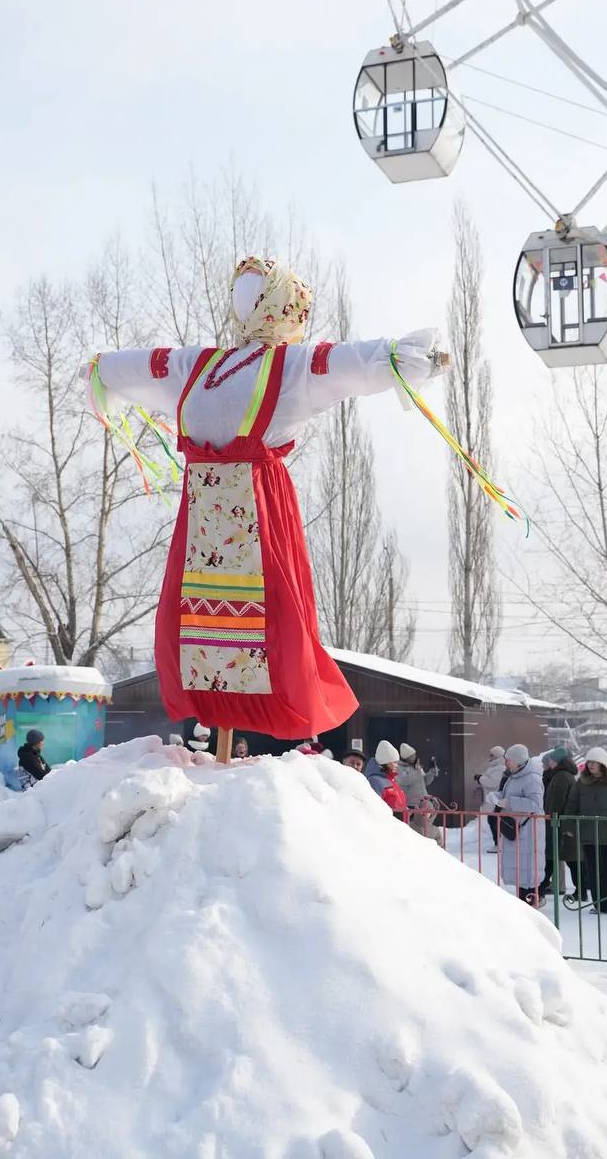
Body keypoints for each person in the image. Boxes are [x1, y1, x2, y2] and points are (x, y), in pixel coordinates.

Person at [90, 256, 446, 747]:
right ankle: (228, 708)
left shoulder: (246, 366)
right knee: (231, 619)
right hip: (227, 510)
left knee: (239, 619)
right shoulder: (243, 365)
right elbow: (352, 361)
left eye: (252, 294)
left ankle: (235, 710)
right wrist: (103, 369)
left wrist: (404, 357)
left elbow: (349, 363)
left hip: (232, 509)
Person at [565, 747, 607, 915]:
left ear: (603, 764)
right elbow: (572, 806)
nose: (591, 766)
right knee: (594, 872)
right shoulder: (581, 783)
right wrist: (569, 827)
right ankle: (602, 904)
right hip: (589, 835)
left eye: (594, 762)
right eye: (589, 762)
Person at [493, 744, 545, 906]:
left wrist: (508, 802)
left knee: (528, 870)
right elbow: (509, 794)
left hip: (528, 831)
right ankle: (524, 901)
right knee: (519, 868)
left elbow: (535, 804)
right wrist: (496, 797)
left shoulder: (532, 779)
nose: (506, 763)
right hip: (517, 829)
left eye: (509, 760)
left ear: (518, 761)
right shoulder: (514, 777)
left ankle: (531, 901)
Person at [538, 748, 587, 905]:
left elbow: (556, 801)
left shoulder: (561, 777)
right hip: (560, 823)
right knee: (565, 859)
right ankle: (580, 890)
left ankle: (580, 891)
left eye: (551, 760)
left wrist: (550, 816)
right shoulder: (562, 775)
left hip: (558, 824)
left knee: (563, 859)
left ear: (558, 761)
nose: (549, 762)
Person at [364, 741, 408, 818]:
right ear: (386, 762)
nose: (397, 765)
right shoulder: (375, 781)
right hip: (387, 827)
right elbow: (373, 809)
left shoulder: (391, 780)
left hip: (399, 826)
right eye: (394, 762)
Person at [476, 746, 506, 850]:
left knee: (494, 822)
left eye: (492, 755)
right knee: (493, 821)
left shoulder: (500, 768)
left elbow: (493, 782)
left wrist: (481, 778)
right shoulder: (495, 767)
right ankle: (497, 843)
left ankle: (498, 844)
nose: (490, 757)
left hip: (495, 799)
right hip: (492, 799)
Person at [397, 743, 430, 833]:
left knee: (426, 822)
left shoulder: (417, 768)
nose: (415, 757)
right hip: (411, 803)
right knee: (416, 827)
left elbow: (424, 781)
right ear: (409, 757)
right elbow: (403, 782)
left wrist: (431, 773)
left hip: (423, 801)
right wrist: (416, 771)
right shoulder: (400, 768)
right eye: (413, 756)